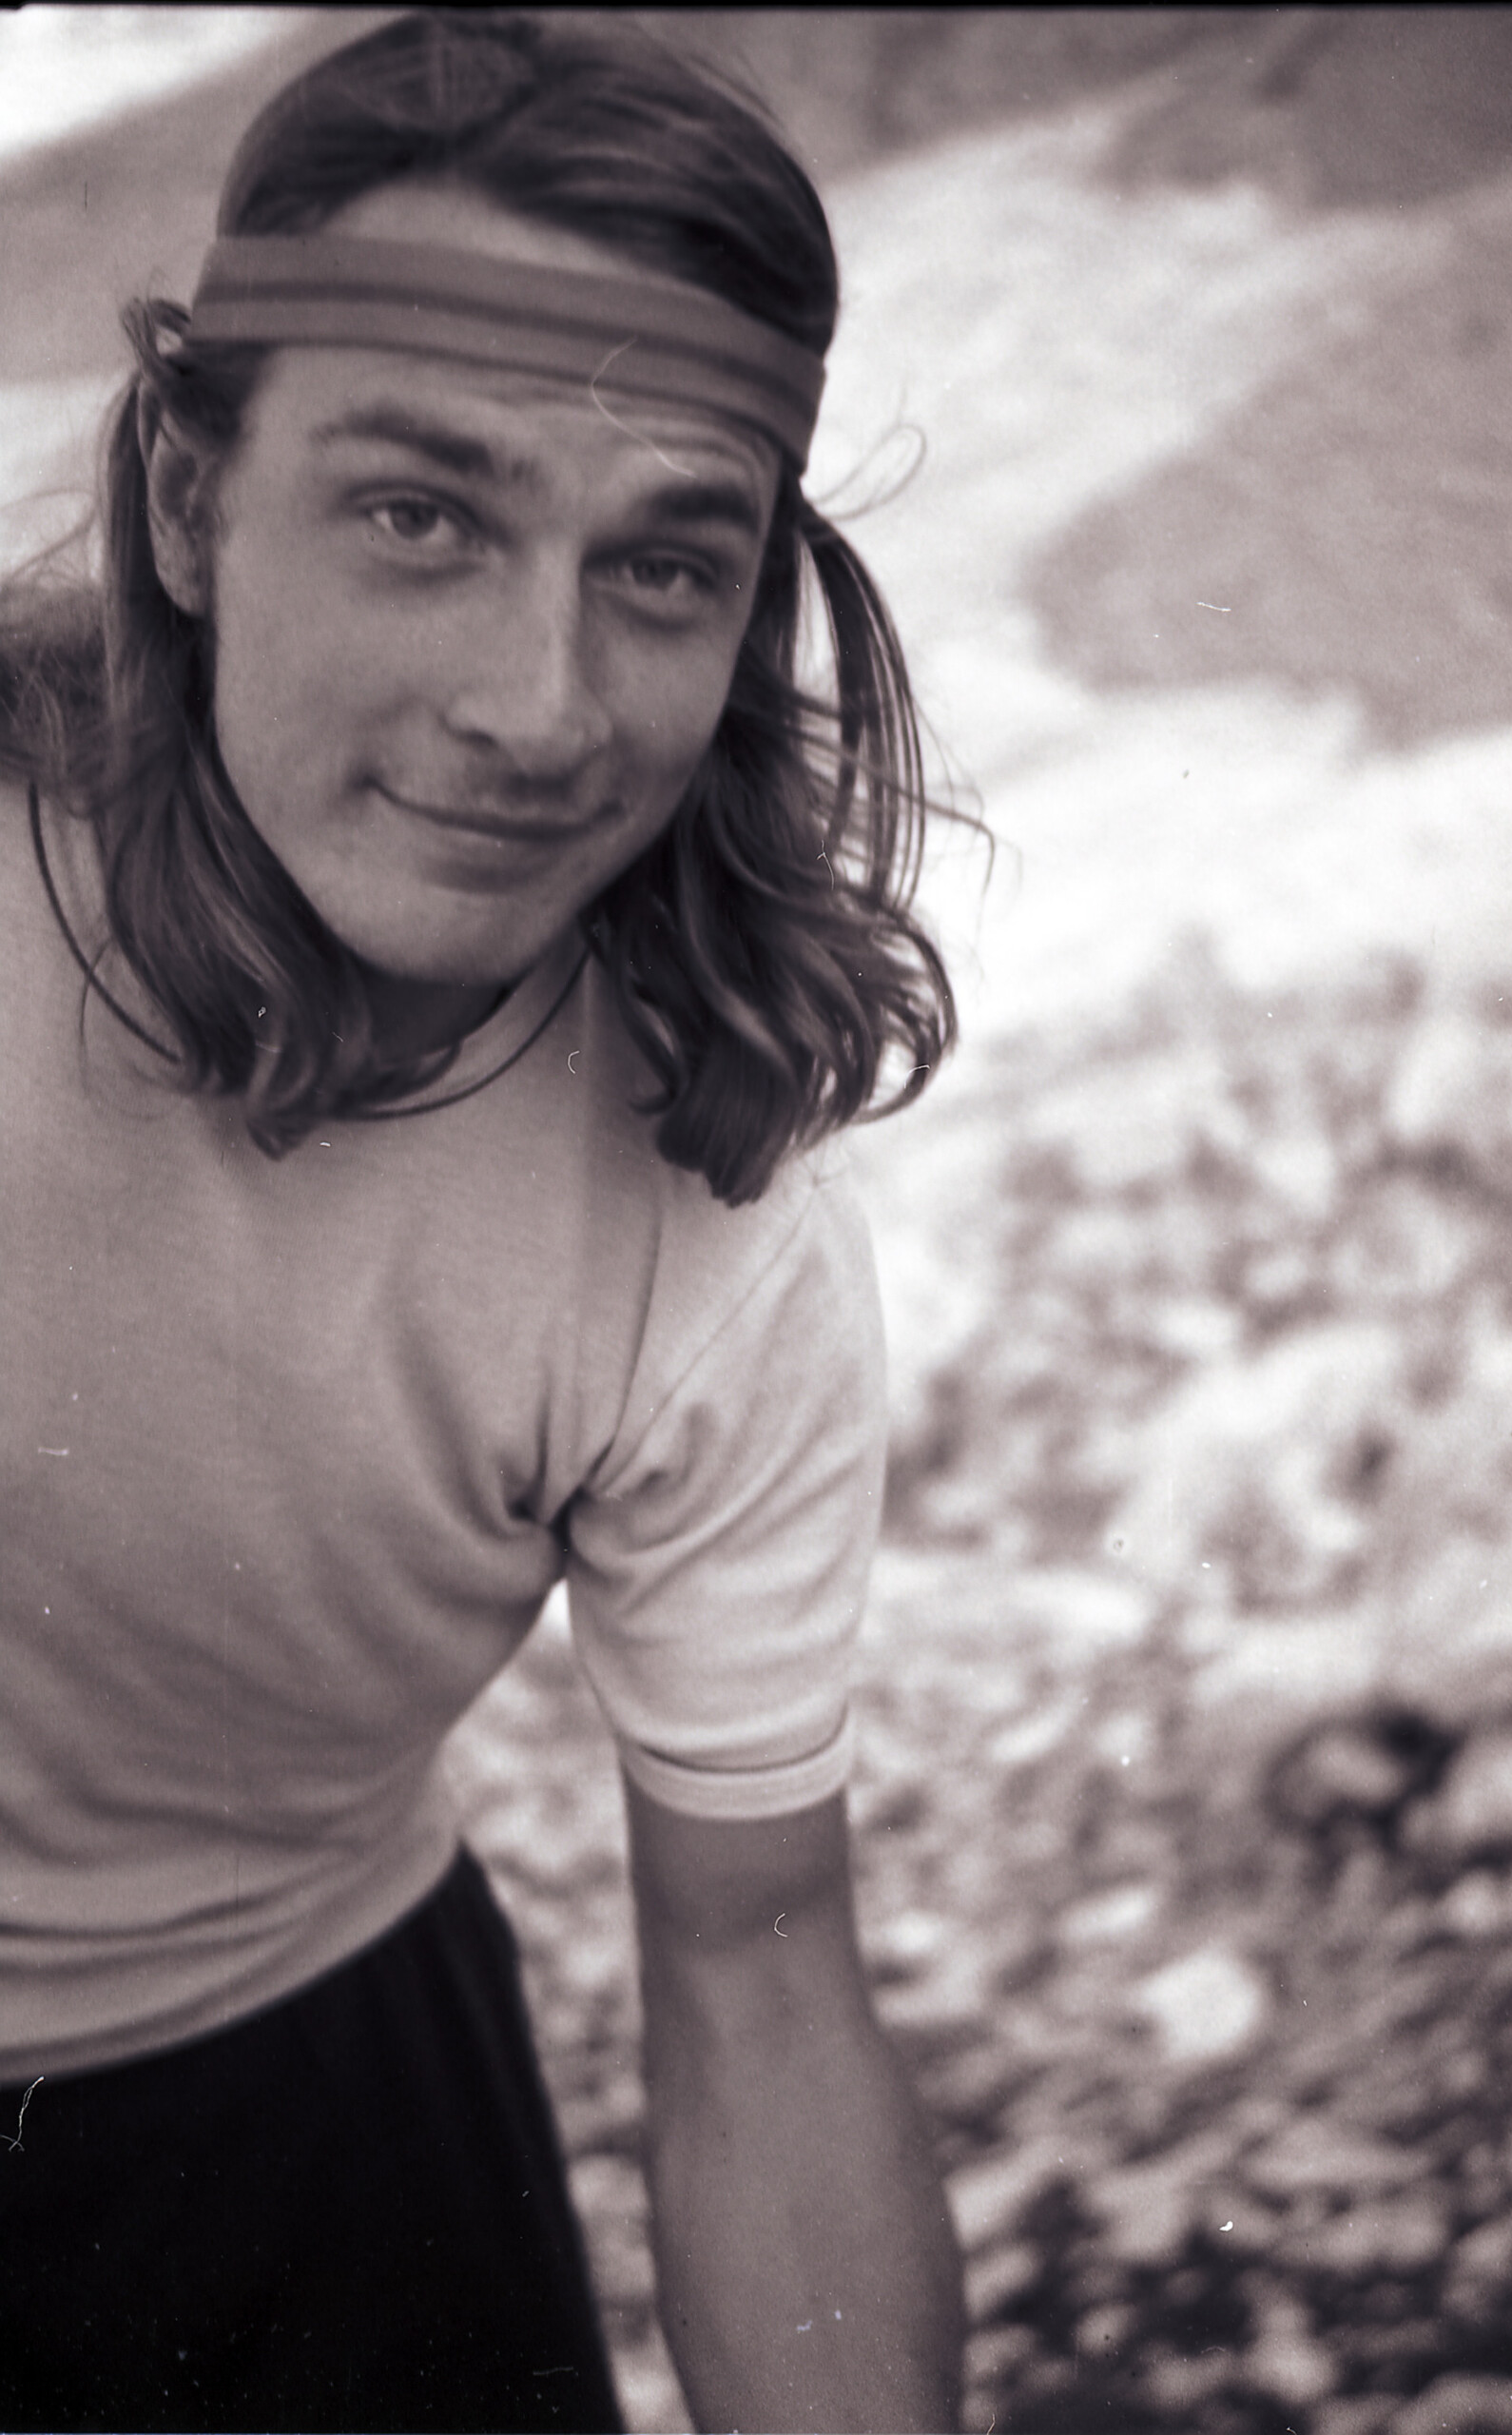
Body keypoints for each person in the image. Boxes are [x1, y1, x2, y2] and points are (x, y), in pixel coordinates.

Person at [0, 11, 967, 2431]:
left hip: (302, 2111)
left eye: (665, 565)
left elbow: (762, 1989)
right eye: (421, 515)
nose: (543, 709)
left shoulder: (711, 1219)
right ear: (194, 501)